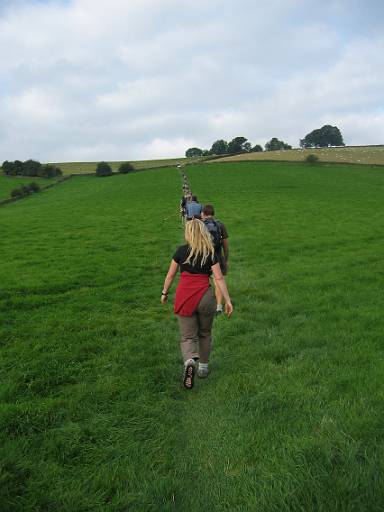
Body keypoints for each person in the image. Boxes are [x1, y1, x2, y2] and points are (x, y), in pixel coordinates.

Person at [161, 219, 233, 389]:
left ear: (188, 233)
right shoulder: (210, 253)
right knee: (205, 333)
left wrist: (164, 293)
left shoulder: (181, 251)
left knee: (188, 336)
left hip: (185, 296)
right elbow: (219, 278)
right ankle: (203, 368)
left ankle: (189, 361)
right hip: (206, 297)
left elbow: (170, 276)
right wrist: (227, 300)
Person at [201, 205, 229, 315]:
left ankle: (203, 304)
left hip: (203, 257)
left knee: (203, 281)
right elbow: (225, 244)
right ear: (213, 213)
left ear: (203, 213)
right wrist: (226, 258)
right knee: (218, 281)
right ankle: (219, 307)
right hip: (217, 256)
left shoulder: (200, 225)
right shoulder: (220, 225)